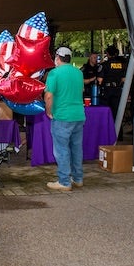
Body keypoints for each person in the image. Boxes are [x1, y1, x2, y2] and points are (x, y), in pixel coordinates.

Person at [44, 47, 86, 191]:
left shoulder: (54, 73)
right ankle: (78, 178)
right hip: (79, 115)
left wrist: (49, 112)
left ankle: (64, 181)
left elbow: (49, 96)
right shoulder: (78, 73)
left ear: (57, 58)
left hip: (62, 116)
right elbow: (81, 91)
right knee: (76, 148)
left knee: (61, 150)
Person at [97, 45, 127, 138]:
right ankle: (119, 134)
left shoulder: (104, 65)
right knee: (118, 112)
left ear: (108, 54)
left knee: (105, 111)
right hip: (117, 90)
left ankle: (106, 133)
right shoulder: (122, 64)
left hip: (107, 91)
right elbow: (124, 79)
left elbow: (100, 80)